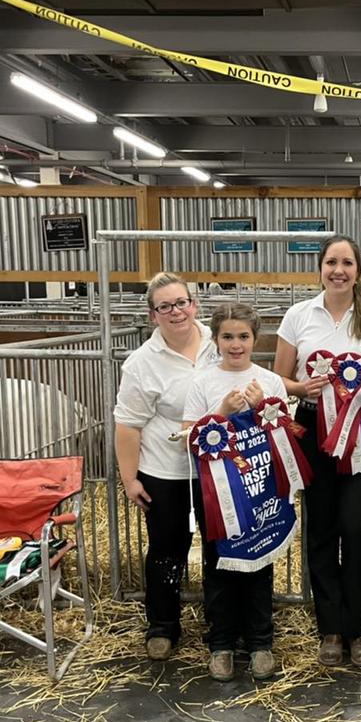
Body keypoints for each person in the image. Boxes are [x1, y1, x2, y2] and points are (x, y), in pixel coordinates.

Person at [273, 235, 361, 667]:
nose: (338, 270)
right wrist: (300, 387)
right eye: (331, 262)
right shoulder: (298, 316)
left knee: (355, 525)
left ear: (358, 270)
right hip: (312, 426)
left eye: (346, 263)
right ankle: (329, 628)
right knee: (322, 526)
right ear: (320, 268)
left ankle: (357, 628)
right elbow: (279, 378)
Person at [182, 304, 290, 682]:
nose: (235, 344)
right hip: (216, 495)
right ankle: (221, 644)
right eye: (227, 336)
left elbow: (286, 436)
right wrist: (222, 412)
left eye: (243, 336)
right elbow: (187, 437)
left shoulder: (270, 381)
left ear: (255, 339)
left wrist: (263, 409)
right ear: (215, 339)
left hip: (259, 488)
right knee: (219, 564)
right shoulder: (202, 382)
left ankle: (260, 642)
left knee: (260, 562)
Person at [114, 273, 218, 661]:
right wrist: (130, 479)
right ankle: (162, 625)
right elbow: (128, 425)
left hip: (216, 468)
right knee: (166, 548)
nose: (176, 312)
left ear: (194, 304)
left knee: (219, 546)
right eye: (165, 306)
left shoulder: (217, 343)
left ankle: (220, 625)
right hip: (165, 470)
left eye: (181, 302)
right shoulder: (142, 363)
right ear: (152, 315)